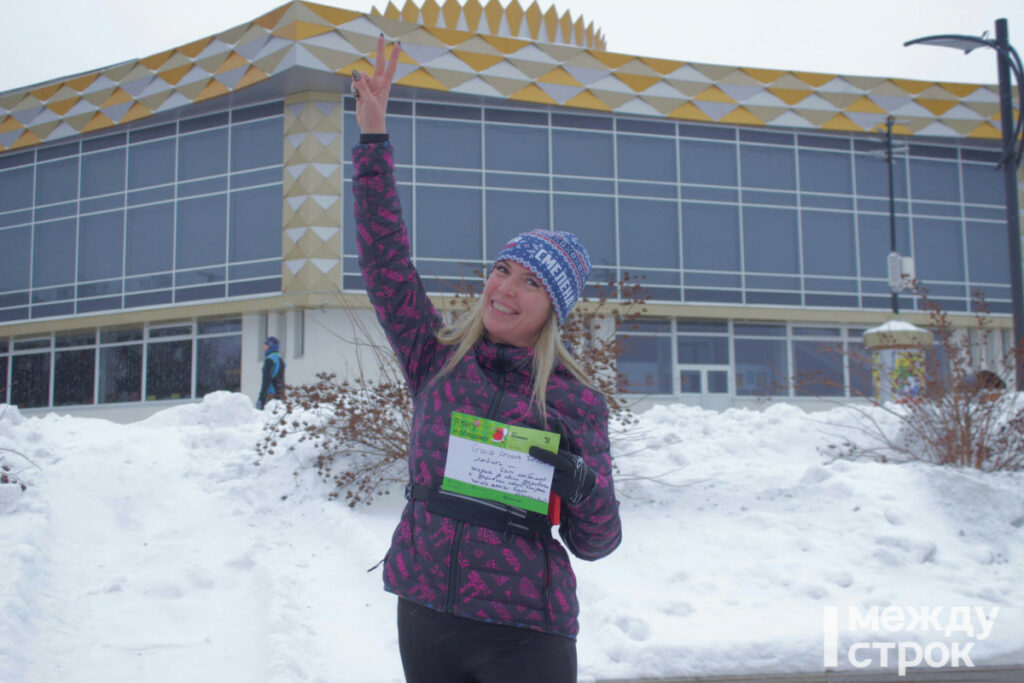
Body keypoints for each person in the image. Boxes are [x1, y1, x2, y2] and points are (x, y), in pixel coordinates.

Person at [351, 35, 621, 683]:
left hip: (527, 634)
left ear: (553, 308)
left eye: (532, 282)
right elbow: (385, 261)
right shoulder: (436, 360)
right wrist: (372, 138)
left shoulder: (573, 400)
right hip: (426, 616)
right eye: (505, 269)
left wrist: (581, 483)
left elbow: (597, 541)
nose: (507, 288)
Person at [257, 336, 285, 409]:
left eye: (265, 345)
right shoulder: (279, 358)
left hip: (270, 395)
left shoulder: (270, 359)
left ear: (271, 346)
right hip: (280, 394)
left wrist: (261, 398)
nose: (263, 347)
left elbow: (266, 380)